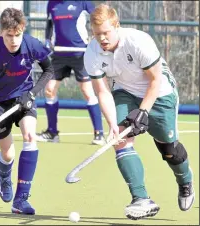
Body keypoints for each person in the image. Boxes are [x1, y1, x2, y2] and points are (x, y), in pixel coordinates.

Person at [84, 3, 195, 220]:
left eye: (106, 32)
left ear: (117, 26)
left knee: (169, 149)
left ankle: (185, 180)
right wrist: (113, 125)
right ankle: (141, 199)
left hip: (160, 94)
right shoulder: (92, 52)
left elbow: (155, 80)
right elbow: (103, 92)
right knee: (121, 139)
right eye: (97, 34)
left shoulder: (138, 41)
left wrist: (143, 111)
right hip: (124, 91)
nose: (102, 38)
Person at [0, 8, 54, 215]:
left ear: (23, 31)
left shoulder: (32, 44)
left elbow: (49, 70)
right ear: (1, 32)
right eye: (9, 35)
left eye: (17, 35)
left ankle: (21, 199)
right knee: (8, 153)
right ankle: (4, 173)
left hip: (24, 98)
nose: (13, 40)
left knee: (30, 136)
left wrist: (32, 94)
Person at [36, 0, 105, 145]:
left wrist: (96, 40)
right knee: (49, 90)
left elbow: (97, 20)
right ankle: (52, 132)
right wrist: (47, 40)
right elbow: (49, 24)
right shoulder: (52, 3)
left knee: (86, 91)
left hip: (80, 54)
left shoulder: (83, 3)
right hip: (59, 54)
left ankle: (99, 133)